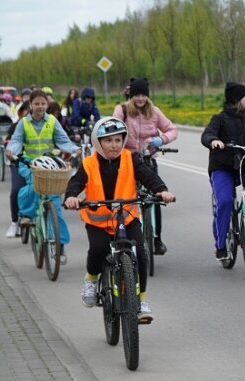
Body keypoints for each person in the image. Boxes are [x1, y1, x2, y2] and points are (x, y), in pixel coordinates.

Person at [64, 117, 175, 323]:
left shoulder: (130, 158)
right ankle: (91, 279)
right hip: (98, 220)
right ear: (98, 142)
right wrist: (71, 196)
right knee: (98, 248)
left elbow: (148, 176)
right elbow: (76, 182)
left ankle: (140, 300)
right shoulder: (88, 163)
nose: (114, 145)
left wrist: (162, 190)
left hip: (127, 216)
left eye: (117, 140)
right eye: (108, 141)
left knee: (140, 253)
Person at [201, 81, 245, 262]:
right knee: (224, 201)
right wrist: (214, 141)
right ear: (238, 100)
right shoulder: (219, 119)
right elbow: (207, 134)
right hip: (222, 166)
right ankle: (221, 245)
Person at [5, 91, 78, 256]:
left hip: (49, 163)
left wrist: (75, 149)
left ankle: (60, 243)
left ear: (47, 105)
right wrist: (11, 150)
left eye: (43, 104)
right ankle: (26, 214)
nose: (40, 107)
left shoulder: (52, 121)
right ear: (31, 105)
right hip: (29, 163)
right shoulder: (23, 123)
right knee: (31, 185)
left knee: (55, 204)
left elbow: (62, 140)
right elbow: (16, 141)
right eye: (36, 103)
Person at [113, 77, 179, 256]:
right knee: (125, 198)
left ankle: (156, 239)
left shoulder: (155, 112)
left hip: (148, 160)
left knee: (156, 196)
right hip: (127, 161)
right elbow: (113, 129)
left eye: (143, 95)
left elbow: (172, 130)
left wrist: (161, 139)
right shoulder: (122, 110)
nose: (140, 99)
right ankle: (121, 234)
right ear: (131, 96)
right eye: (137, 95)